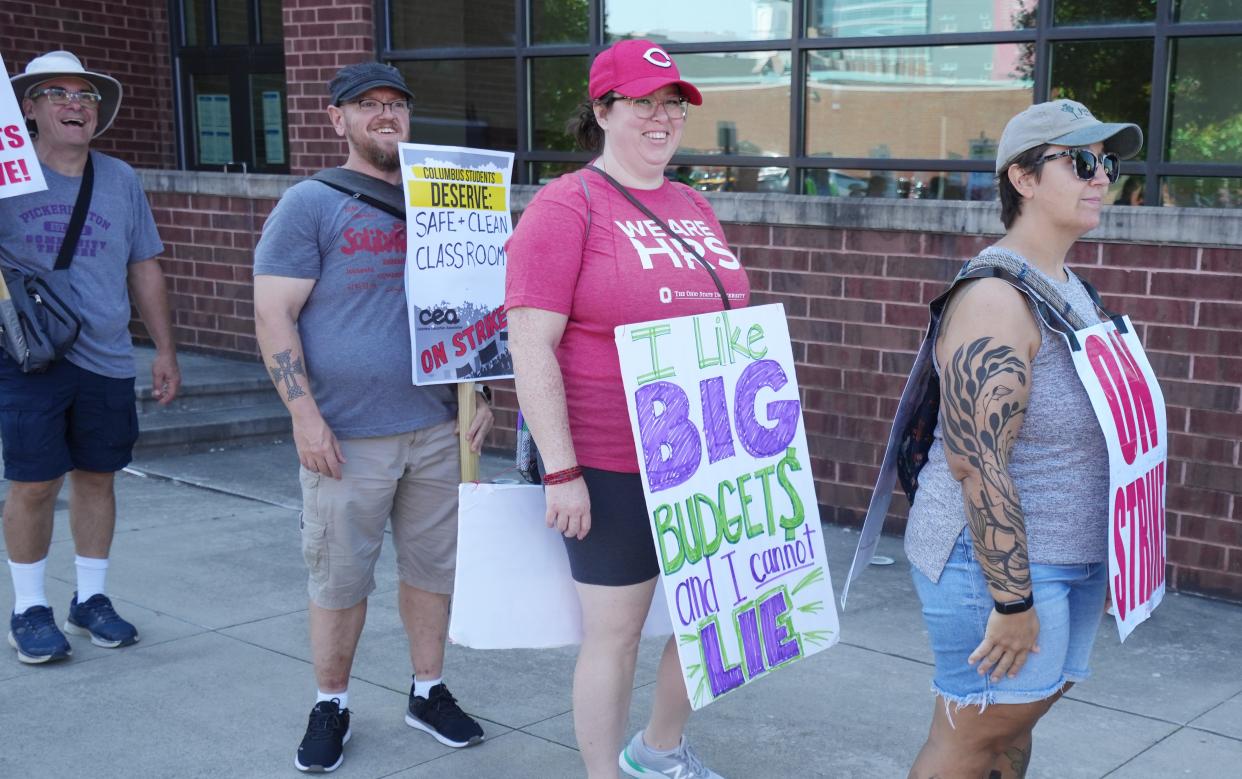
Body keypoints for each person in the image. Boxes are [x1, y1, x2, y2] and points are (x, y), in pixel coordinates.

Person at [505, 39, 750, 779]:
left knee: (718, 617)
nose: (662, 117)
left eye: (672, 103)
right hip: (610, 459)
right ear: (603, 110)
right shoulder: (566, 204)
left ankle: (660, 748)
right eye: (644, 101)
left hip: (705, 451)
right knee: (615, 632)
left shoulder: (692, 202)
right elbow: (530, 345)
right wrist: (561, 470)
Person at [252, 61, 494, 774]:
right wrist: (303, 415)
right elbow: (274, 312)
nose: (385, 115)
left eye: (396, 104)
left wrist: (482, 394)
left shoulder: (446, 200)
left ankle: (427, 688)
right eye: (367, 105)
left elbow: (476, 304)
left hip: (435, 428)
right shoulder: (309, 204)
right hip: (345, 435)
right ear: (338, 120)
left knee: (432, 571)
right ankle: (332, 701)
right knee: (339, 580)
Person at [902, 99, 1144, 778]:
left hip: (1065, 555)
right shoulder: (994, 298)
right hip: (998, 571)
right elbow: (975, 462)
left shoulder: (1067, 286)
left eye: (1109, 163)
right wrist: (1012, 601)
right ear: (1024, 178)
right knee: (972, 738)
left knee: (1009, 732)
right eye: (1082, 161)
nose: (1102, 177)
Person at [2, 51, 180, 664]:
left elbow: (144, 264)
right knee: (32, 483)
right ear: (28, 107)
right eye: (56, 93)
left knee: (99, 478)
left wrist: (164, 349)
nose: (75, 104)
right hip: (29, 359)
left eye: (86, 95)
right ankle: (28, 608)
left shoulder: (120, 178)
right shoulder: (5, 175)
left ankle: (90, 599)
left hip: (107, 356)